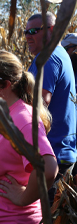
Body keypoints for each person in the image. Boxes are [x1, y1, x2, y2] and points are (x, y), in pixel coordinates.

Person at [0, 49, 58, 223]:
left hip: (14, 218)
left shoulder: (24, 119)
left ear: (5, 84)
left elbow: (48, 168)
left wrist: (24, 198)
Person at [25, 13, 77, 198]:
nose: (27, 36)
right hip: (59, 153)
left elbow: (40, 103)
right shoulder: (58, 53)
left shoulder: (49, 57)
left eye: (33, 31)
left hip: (52, 156)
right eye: (25, 32)